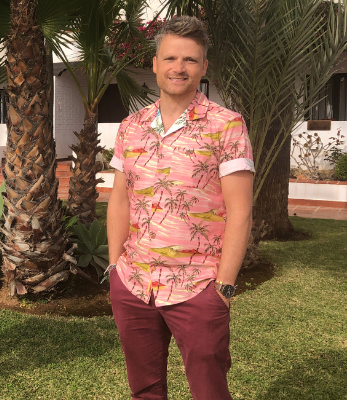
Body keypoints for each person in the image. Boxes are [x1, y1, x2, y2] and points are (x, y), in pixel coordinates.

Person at [106, 16, 255, 400]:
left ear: (204, 67)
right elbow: (120, 198)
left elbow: (240, 211)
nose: (179, 67)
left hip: (198, 287)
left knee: (209, 392)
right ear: (155, 64)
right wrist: (114, 268)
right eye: (171, 58)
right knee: (145, 390)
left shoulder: (227, 126)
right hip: (134, 284)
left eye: (190, 59)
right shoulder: (130, 126)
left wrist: (223, 287)